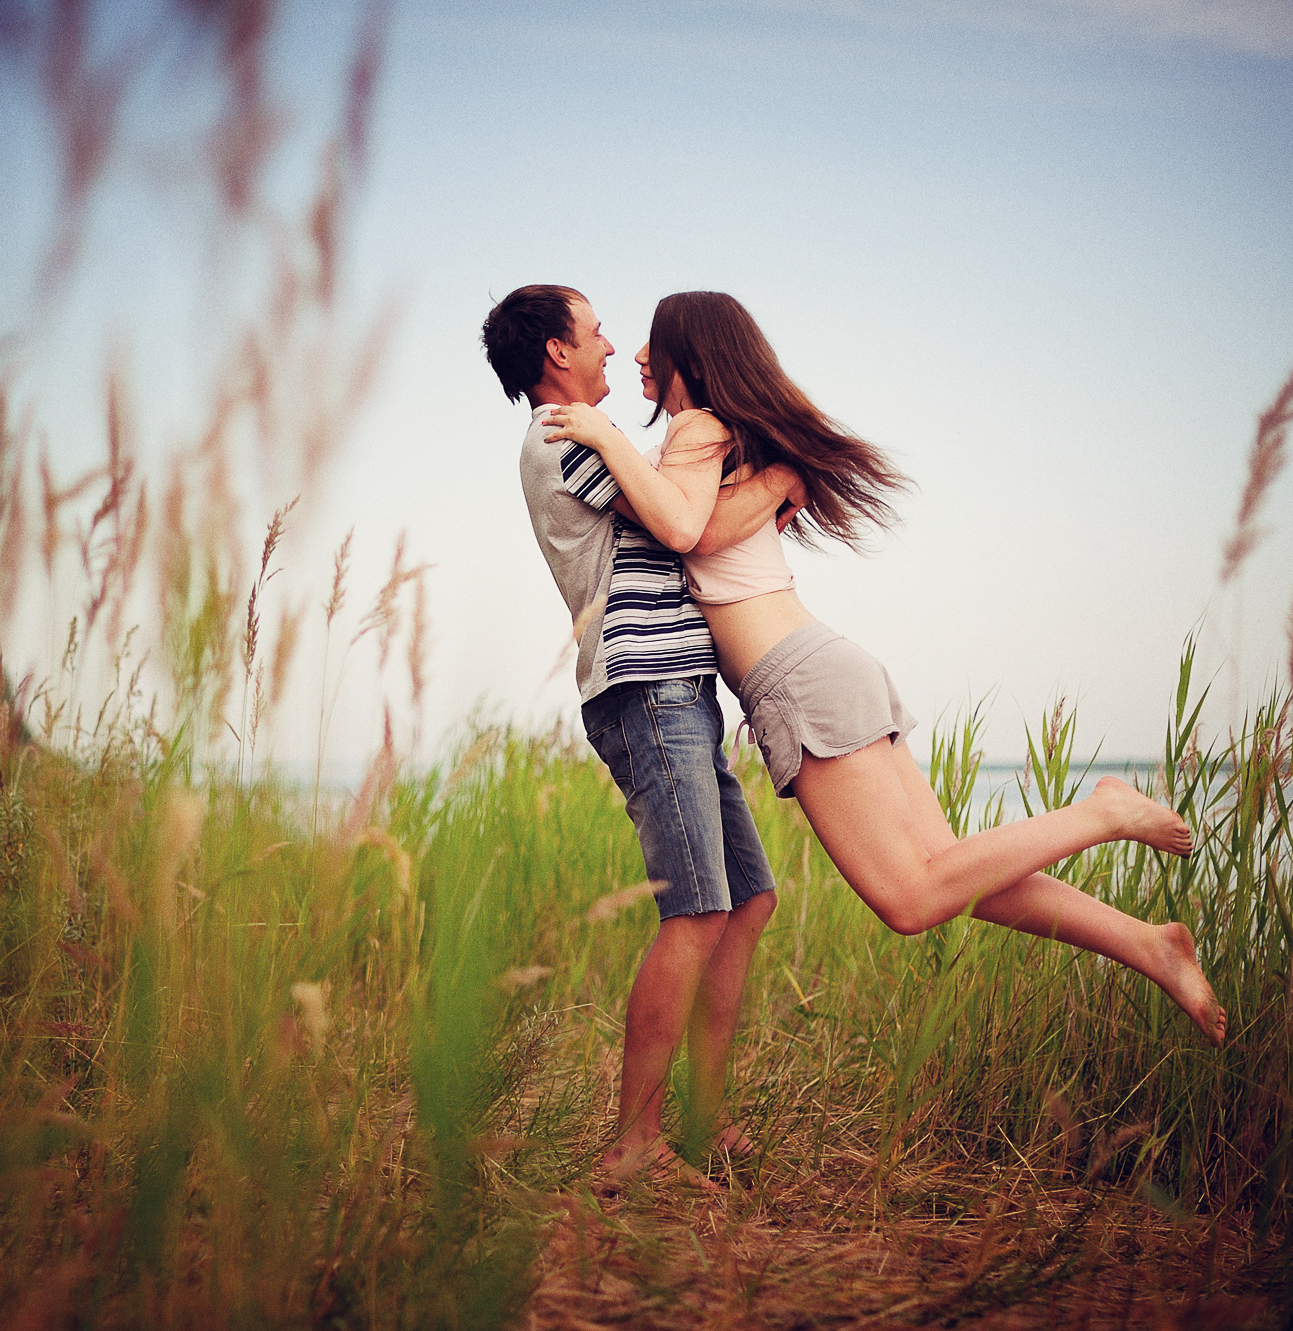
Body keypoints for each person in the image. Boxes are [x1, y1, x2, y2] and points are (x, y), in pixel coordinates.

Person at [544, 291, 1227, 1046]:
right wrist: (776, 477)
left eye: (652, 340)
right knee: (957, 873)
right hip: (823, 664)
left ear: (693, 355)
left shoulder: (695, 429)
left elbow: (688, 531)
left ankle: (1104, 814)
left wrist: (605, 433)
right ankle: (1149, 944)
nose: (636, 353)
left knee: (910, 899)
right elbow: (697, 522)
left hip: (798, 678)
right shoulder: (717, 445)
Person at [482, 285, 806, 1185]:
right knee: (696, 909)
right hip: (647, 686)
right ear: (556, 351)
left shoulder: (595, 437)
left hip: (679, 688)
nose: (612, 346)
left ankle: (702, 1117)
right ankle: (635, 1142)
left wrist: (759, 482)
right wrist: (774, 480)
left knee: (747, 898)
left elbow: (683, 512)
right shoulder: (564, 436)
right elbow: (682, 525)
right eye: (595, 331)